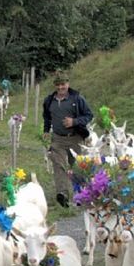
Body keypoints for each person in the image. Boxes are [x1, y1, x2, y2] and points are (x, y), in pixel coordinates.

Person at [42, 72, 93, 208]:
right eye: (58, 85)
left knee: (77, 166)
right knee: (59, 165)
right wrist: (46, 131)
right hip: (58, 139)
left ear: (68, 84)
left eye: (63, 84)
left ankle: (83, 194)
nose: (60, 87)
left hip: (75, 138)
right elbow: (47, 117)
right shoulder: (49, 101)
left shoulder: (77, 99)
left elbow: (89, 115)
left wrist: (74, 121)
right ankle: (62, 195)